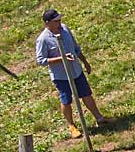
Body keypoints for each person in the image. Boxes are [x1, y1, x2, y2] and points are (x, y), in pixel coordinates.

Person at [35, 9, 105, 138]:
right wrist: (62, 58)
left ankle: (99, 118)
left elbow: (76, 47)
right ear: (47, 23)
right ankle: (71, 126)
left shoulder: (65, 29)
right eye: (56, 21)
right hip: (61, 76)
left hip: (76, 70)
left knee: (86, 94)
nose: (59, 23)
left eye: (60, 20)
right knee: (66, 100)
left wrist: (85, 62)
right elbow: (41, 61)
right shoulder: (43, 40)